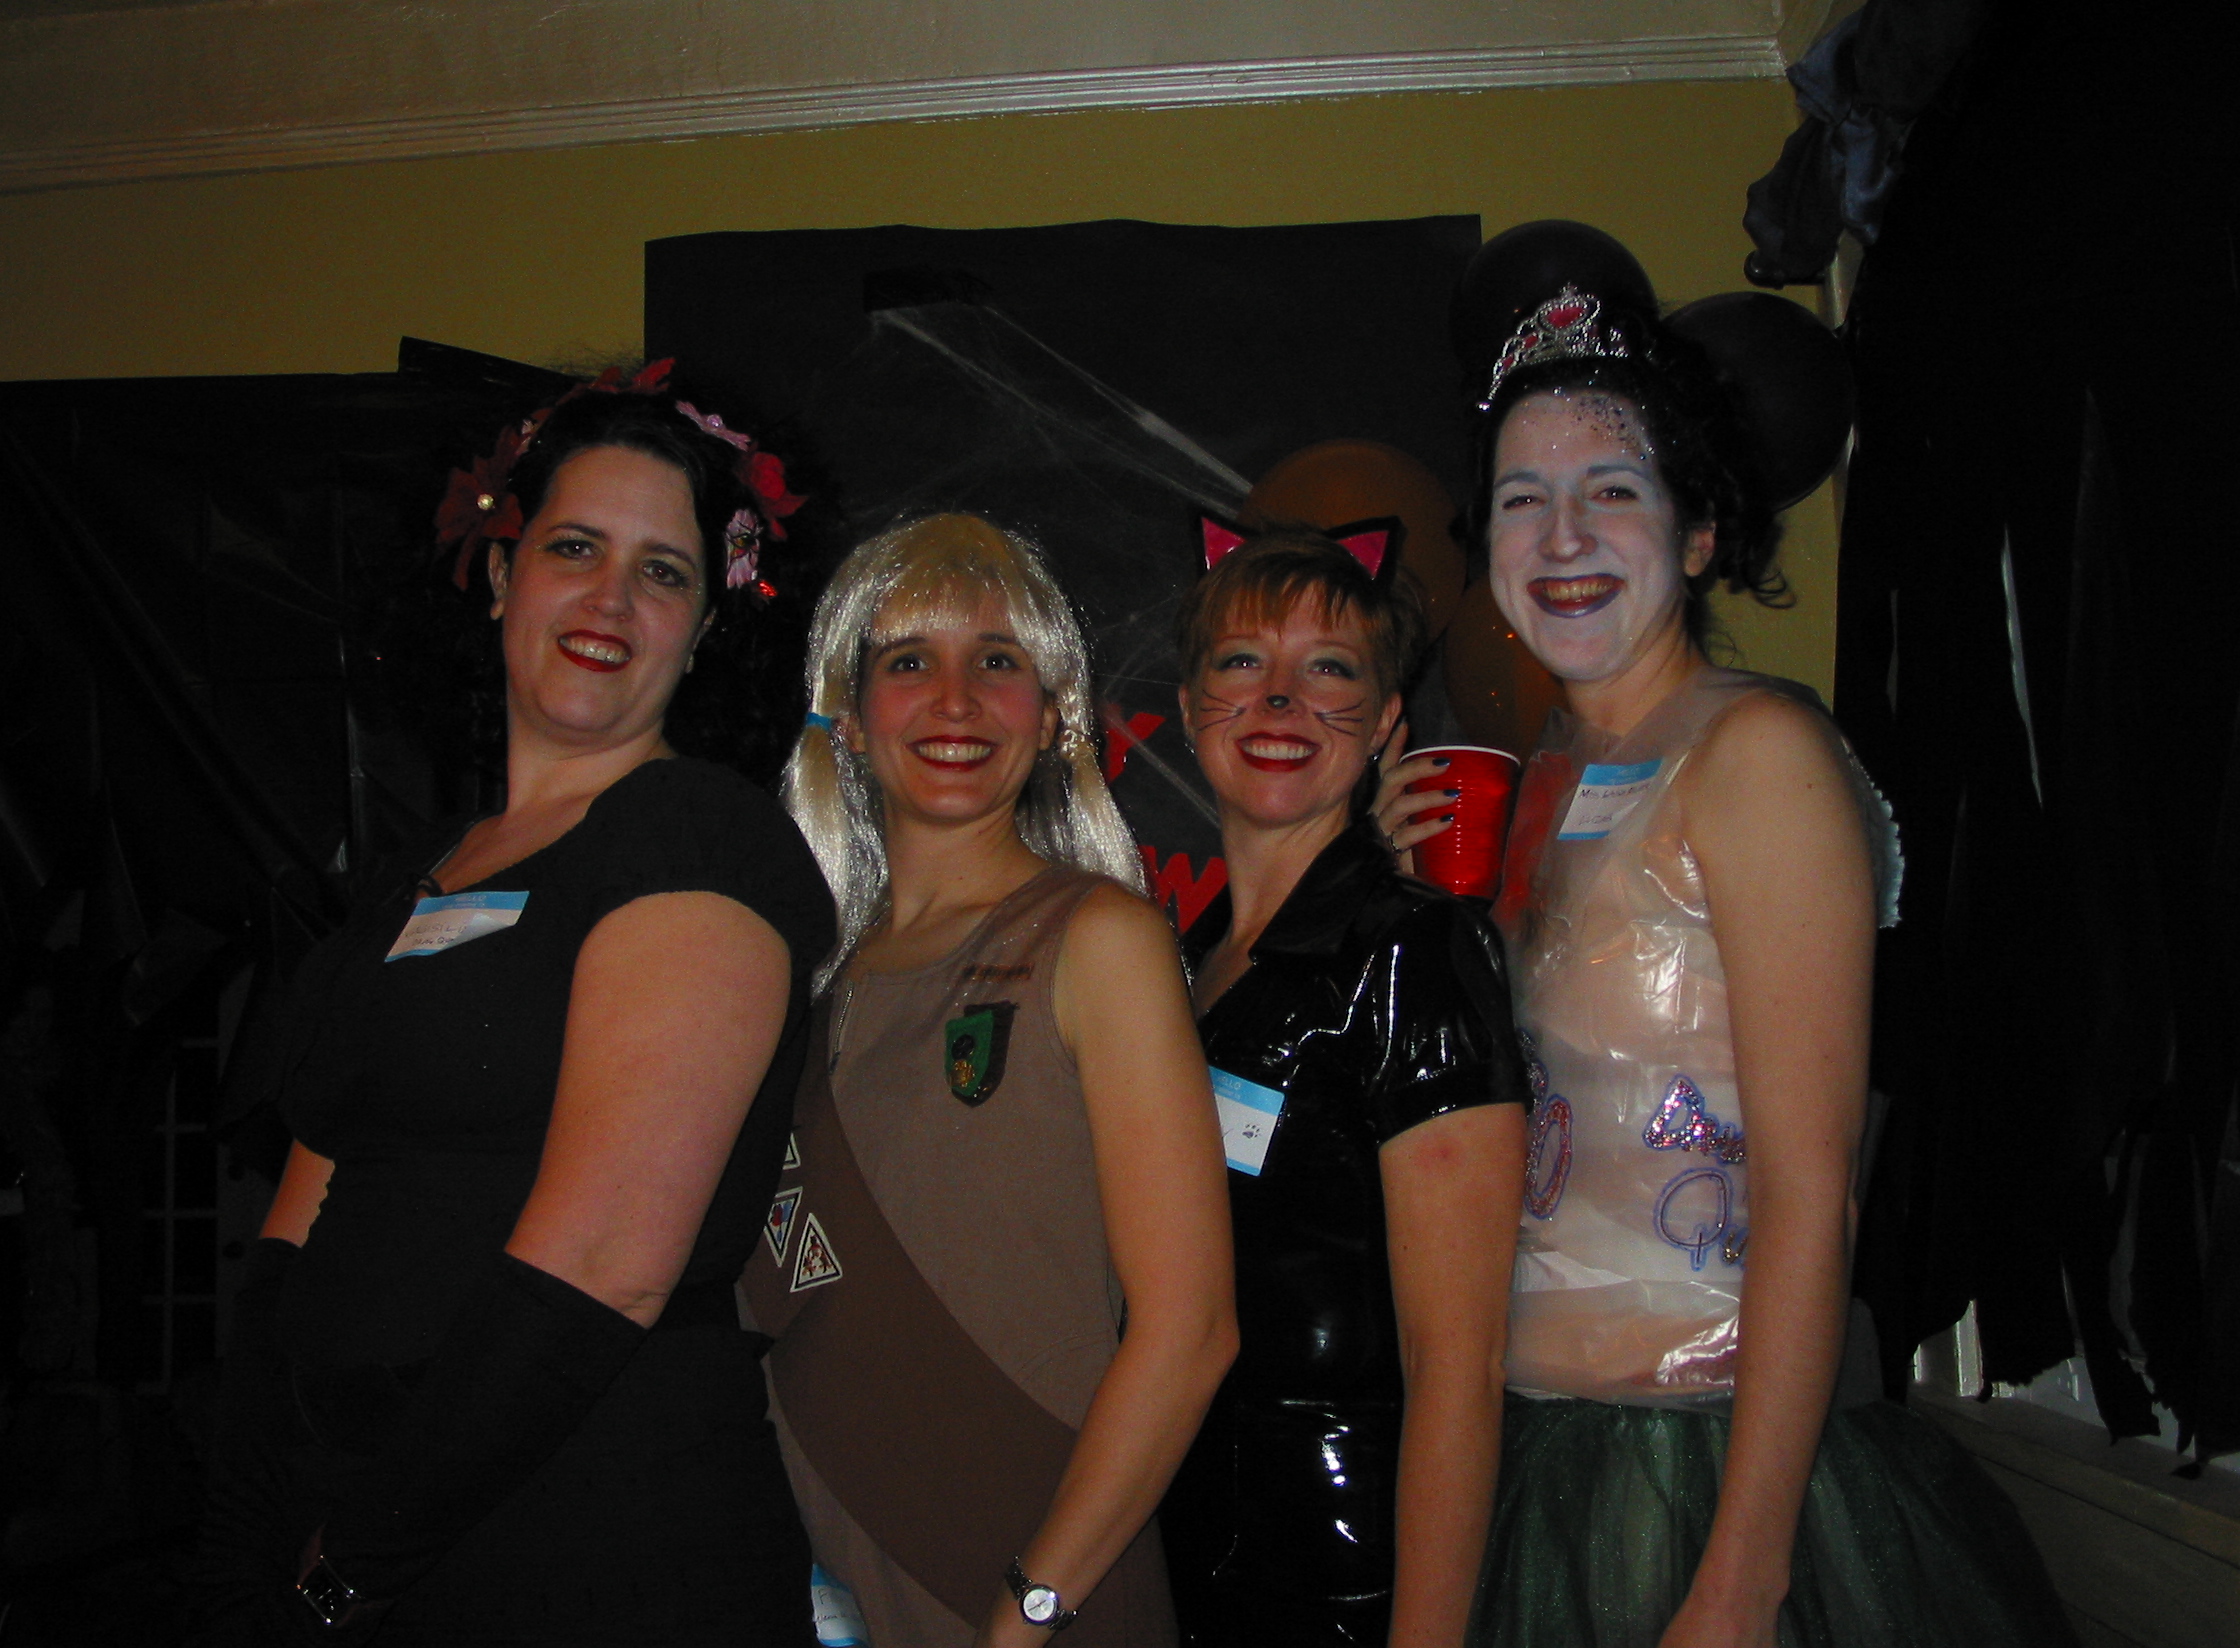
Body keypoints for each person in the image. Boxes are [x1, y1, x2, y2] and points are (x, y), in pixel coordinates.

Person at [1378, 286, 2077, 1647]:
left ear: (1699, 533)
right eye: (1522, 498)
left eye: (1611, 490)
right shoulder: (1537, 780)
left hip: (1710, 1468)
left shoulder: (1759, 757)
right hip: (1537, 1449)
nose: (1562, 535)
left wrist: (1742, 1581)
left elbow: (1816, 1194)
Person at [193, 375, 834, 1644]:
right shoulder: (420, 868)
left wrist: (355, 1564)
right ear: (499, 575)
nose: (610, 600)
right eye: (574, 549)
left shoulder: (698, 836)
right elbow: (300, 1217)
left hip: (587, 1538)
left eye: (662, 572)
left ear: (705, 626)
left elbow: (606, 1267)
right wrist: (245, 1526)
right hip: (349, 1513)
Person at [743, 513, 1237, 1648]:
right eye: (909, 661)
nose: (955, 700)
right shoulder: (797, 987)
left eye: (998, 661)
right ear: (848, 717)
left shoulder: (1095, 940)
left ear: (1055, 715)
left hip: (1043, 1600)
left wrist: (1026, 1616)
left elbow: (1192, 1330)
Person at [1159, 521, 1531, 1648]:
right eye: (1242, 662)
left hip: (1338, 1571)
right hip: (1184, 1543)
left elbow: (1457, 1368)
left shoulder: (1412, 951)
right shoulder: (1185, 960)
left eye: (1328, 670)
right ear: (1189, 708)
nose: (1279, 700)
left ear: (1385, 725)